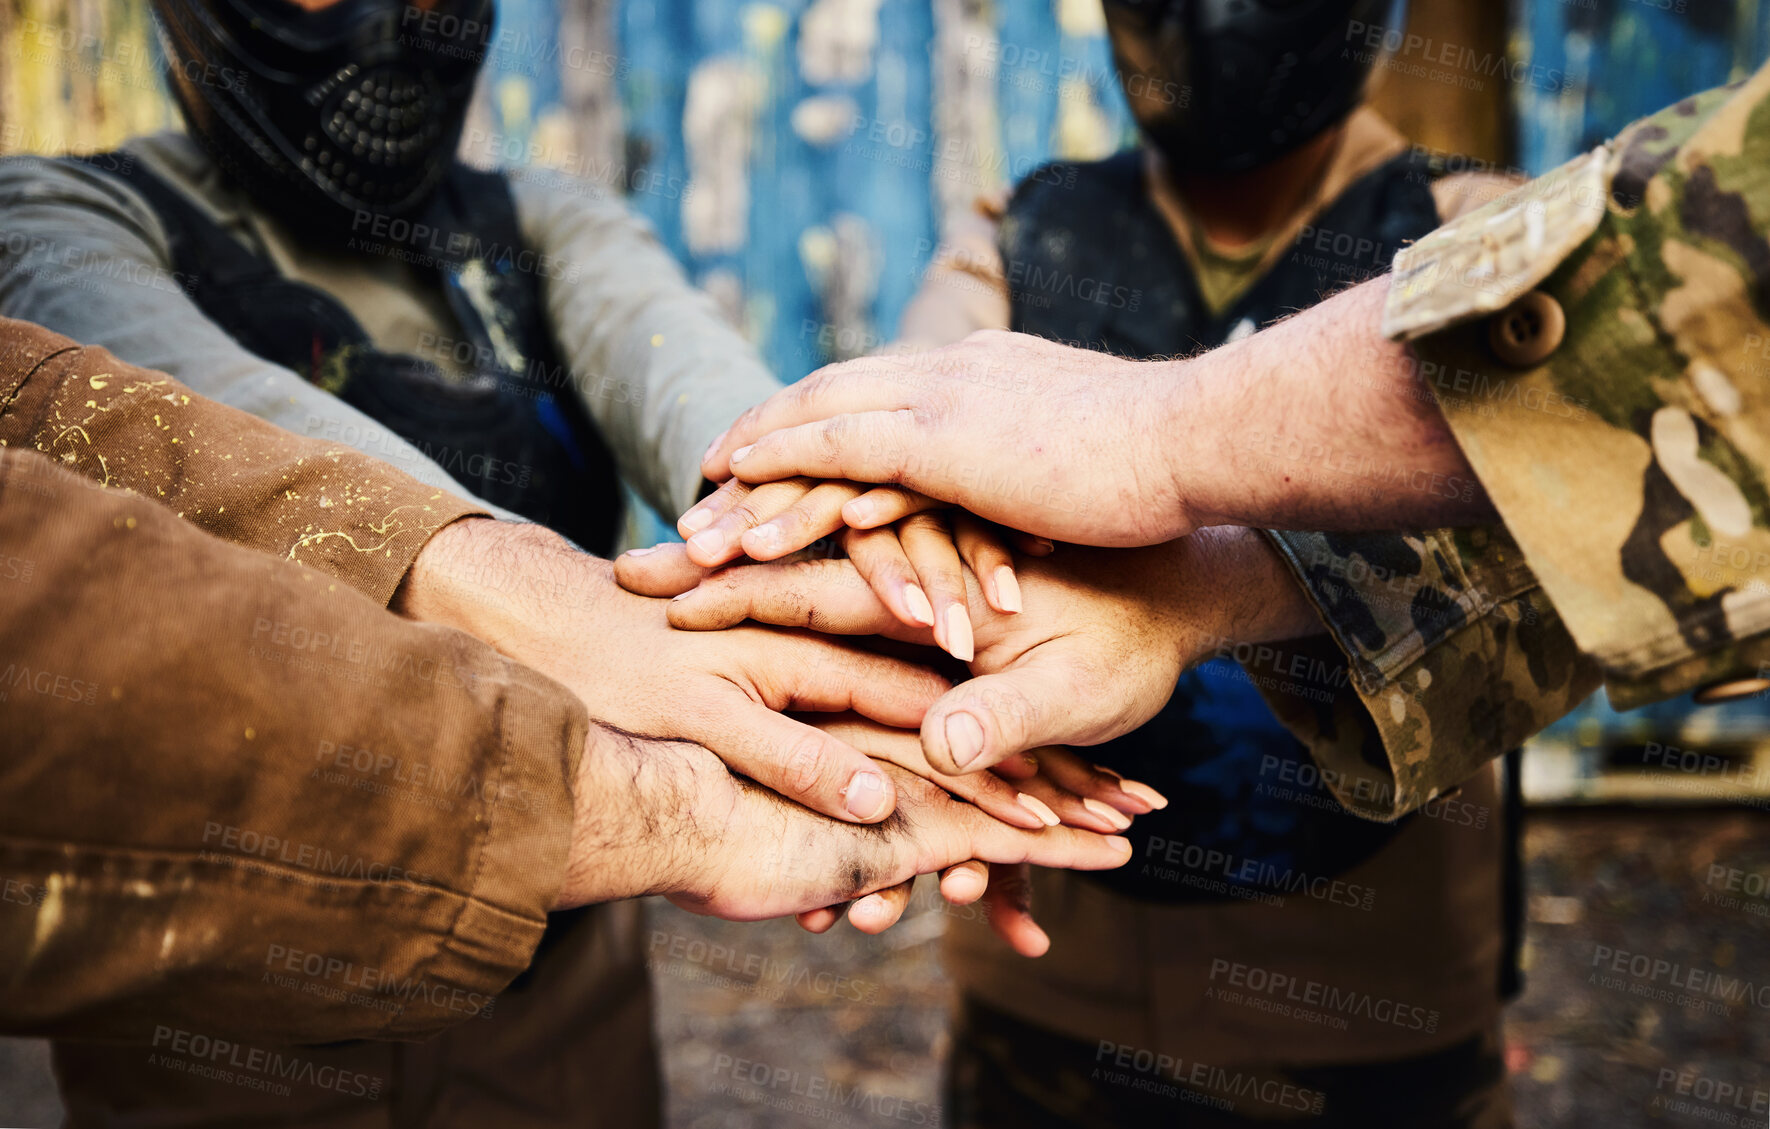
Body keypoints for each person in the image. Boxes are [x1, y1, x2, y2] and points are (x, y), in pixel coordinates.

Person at [0, 0, 1147, 1121]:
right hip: (237, 996)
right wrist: (583, 618)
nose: (397, 25)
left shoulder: (539, 221)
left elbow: (709, 403)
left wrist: (851, 554)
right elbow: (212, 424)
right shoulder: (60, 215)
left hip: (558, 972)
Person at [632, 3, 1519, 1122]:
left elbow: (1544, 531)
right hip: (1048, 981)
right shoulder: (1017, 231)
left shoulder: (1483, 239)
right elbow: (911, 412)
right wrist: (846, 509)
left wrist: (1189, 585)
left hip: (1372, 1004)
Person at [0, 314, 1135, 1050]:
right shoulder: (77, 206)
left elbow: (664, 352)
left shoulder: (535, 219)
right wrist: (660, 809)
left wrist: (780, 525)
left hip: (562, 1016)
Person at [696, 56, 1770, 819]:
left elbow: (1574, 469)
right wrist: (906, 503)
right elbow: (925, 384)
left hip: (1380, 949)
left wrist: (1155, 466)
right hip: (1053, 920)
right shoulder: (1030, 219)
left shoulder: (1486, 220)